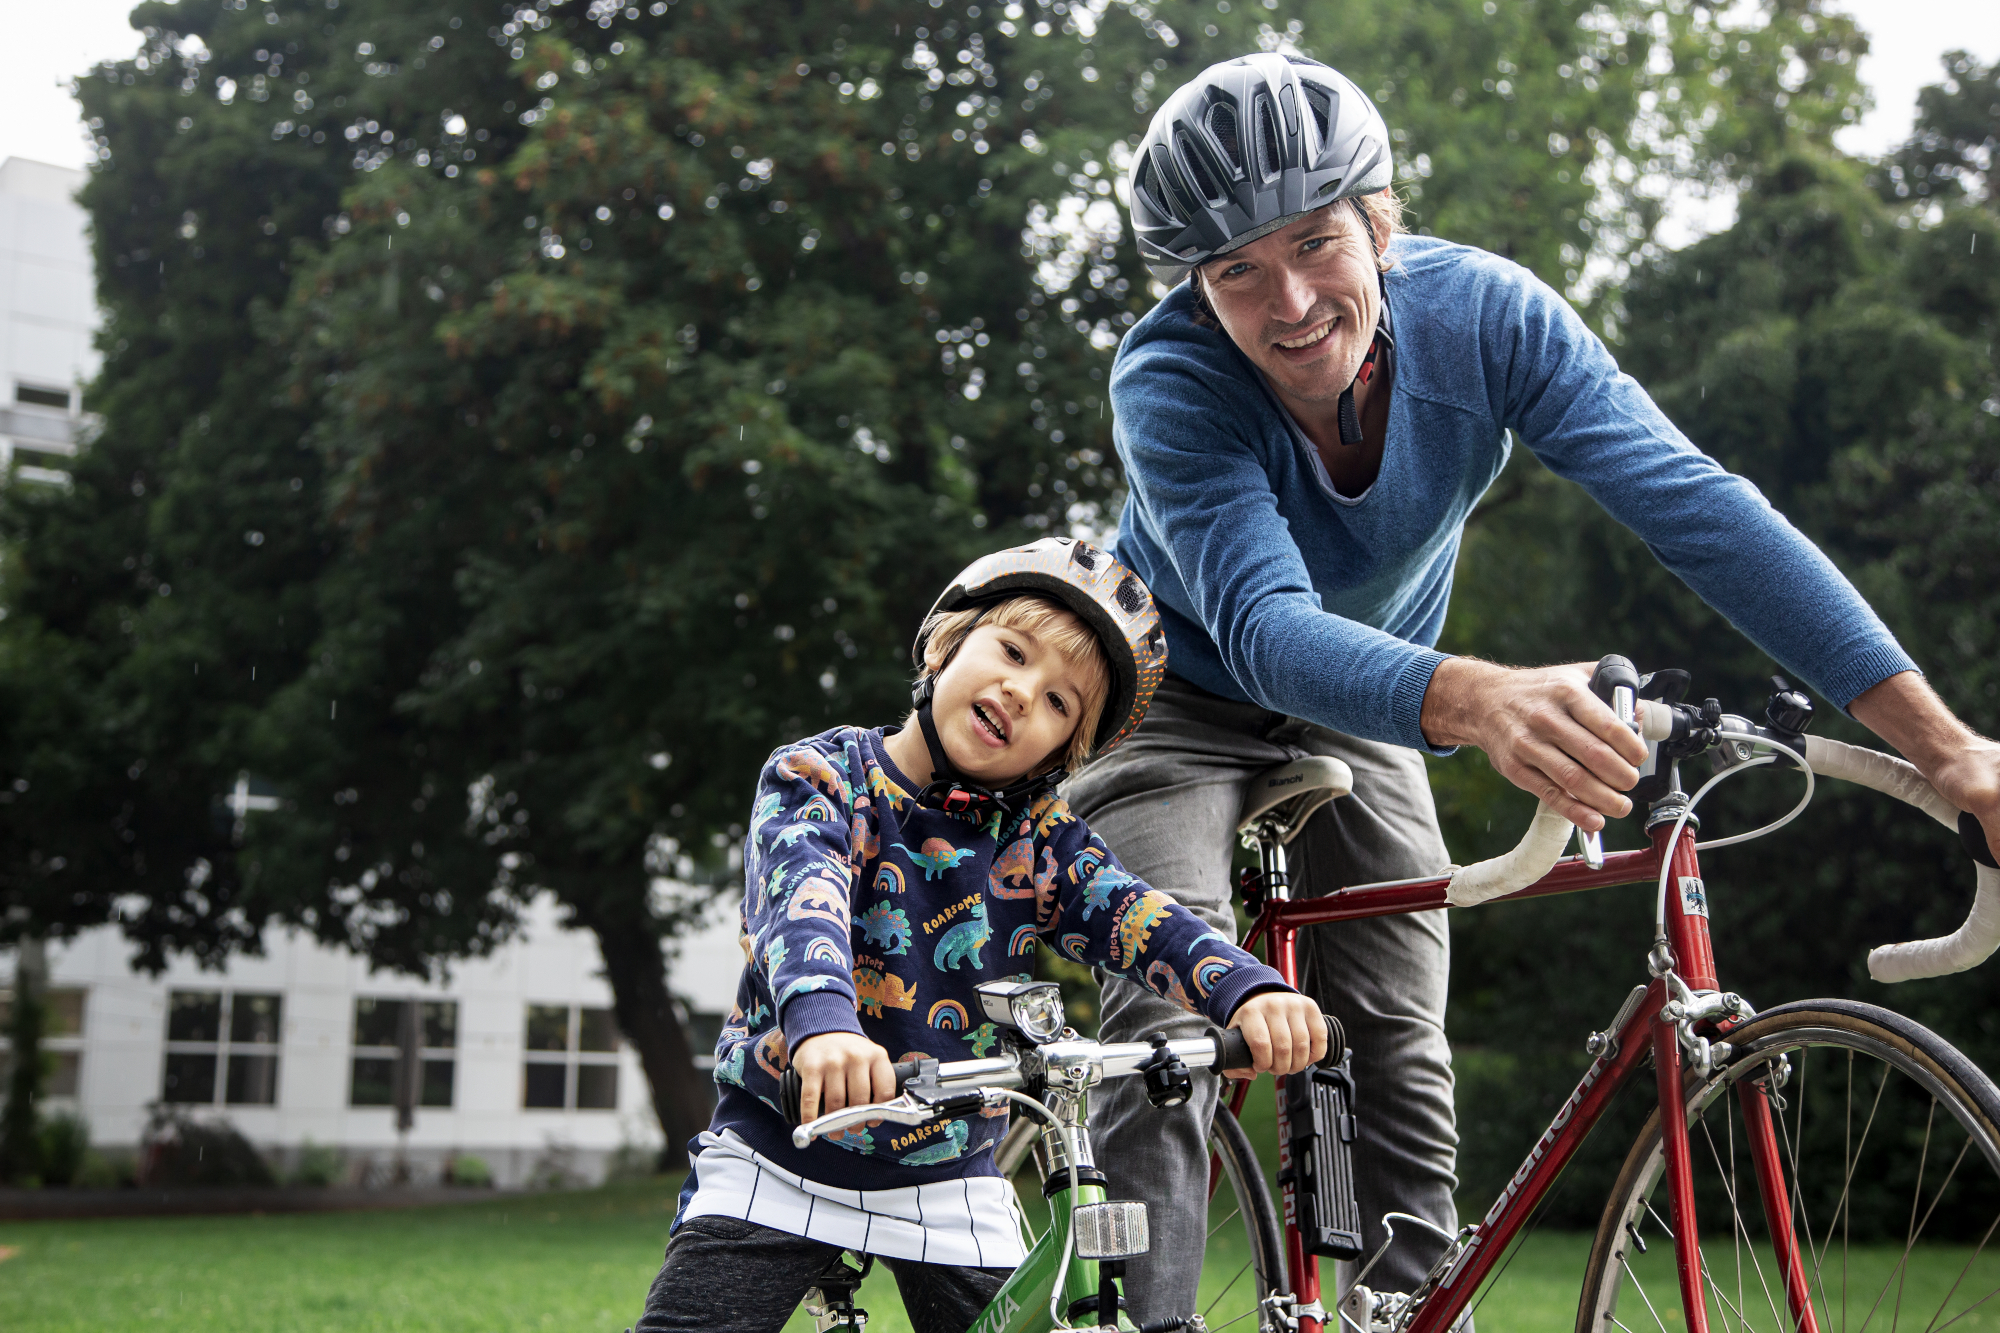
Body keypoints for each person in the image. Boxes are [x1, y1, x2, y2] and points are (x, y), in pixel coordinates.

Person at [1070, 51, 2000, 1325]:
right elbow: (1265, 625)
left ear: (1379, 225)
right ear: (1196, 287)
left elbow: (1698, 512)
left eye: (1312, 243)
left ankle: (1399, 1308)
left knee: (1393, 1030)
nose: (1286, 301)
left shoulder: (1488, 319)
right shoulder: (1169, 378)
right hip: (1176, 700)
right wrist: (1476, 696)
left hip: (1370, 701)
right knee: (1173, 1021)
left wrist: (1947, 752)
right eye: (1235, 272)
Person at [631, 537, 1330, 1333]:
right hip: (780, 1148)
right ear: (942, 645)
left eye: (1062, 702)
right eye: (1011, 650)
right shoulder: (822, 780)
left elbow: (1140, 914)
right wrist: (823, 1024)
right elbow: (802, 904)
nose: (1025, 691)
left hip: (948, 1174)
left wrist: (1248, 987)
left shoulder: (1039, 842)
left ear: (1064, 754)